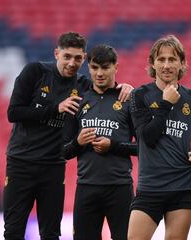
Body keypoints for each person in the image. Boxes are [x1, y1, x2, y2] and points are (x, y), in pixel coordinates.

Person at [4, 32, 133, 240]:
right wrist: (56, 108)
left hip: (54, 166)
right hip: (21, 162)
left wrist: (125, 86)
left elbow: (104, 86)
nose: (72, 63)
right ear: (57, 53)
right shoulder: (34, 72)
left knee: (51, 233)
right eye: (67, 56)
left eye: (77, 58)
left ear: (83, 59)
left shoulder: (82, 85)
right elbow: (14, 113)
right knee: (13, 230)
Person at [128, 35, 191, 240]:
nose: (167, 65)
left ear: (182, 63)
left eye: (172, 59)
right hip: (151, 186)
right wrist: (166, 104)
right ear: (152, 63)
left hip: (183, 185)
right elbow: (147, 138)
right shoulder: (140, 95)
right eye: (161, 59)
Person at [62, 44, 137, 240]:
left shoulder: (129, 101)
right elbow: (63, 151)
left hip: (120, 188)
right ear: (89, 67)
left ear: (116, 67)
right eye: (95, 68)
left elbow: (143, 147)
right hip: (87, 187)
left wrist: (113, 146)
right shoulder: (78, 102)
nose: (100, 73)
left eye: (105, 67)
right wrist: (78, 143)